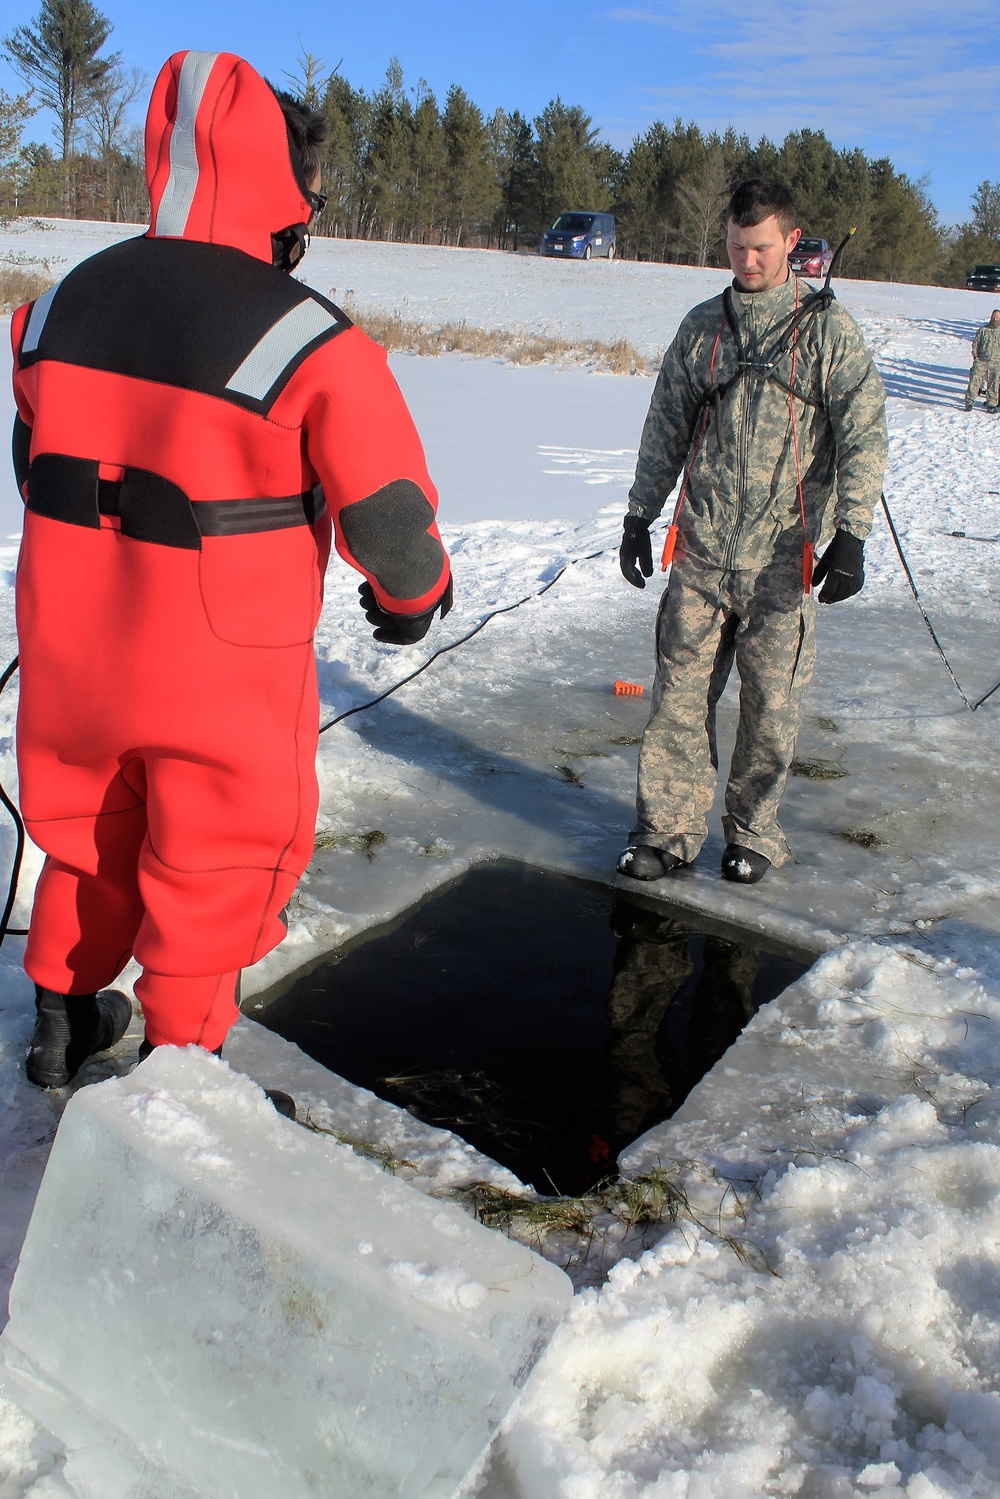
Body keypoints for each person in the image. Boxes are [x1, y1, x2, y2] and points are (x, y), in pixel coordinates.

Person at [11, 51, 451, 1092]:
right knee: (210, 860)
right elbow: (388, 519)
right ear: (287, 189)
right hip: (216, 671)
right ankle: (181, 1074)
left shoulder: (56, 304)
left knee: (85, 834)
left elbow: (36, 455)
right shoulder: (313, 342)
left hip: (71, 647)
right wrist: (412, 599)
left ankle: (60, 1025)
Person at [617, 178, 887, 886]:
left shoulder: (828, 332)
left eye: (761, 248)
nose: (747, 262)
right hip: (703, 552)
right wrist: (639, 514)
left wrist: (851, 533)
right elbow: (665, 425)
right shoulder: (703, 327)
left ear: (793, 243)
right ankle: (666, 831)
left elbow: (863, 433)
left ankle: (755, 834)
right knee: (677, 698)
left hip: (780, 558)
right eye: (737, 247)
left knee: (771, 707)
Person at [964, 310, 1000, 412]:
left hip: (996, 362)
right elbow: (976, 343)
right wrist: (976, 357)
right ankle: (969, 402)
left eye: (997, 317)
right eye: (993, 317)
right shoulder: (983, 330)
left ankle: (991, 404)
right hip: (981, 361)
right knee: (975, 381)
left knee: (994, 383)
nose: (995, 319)